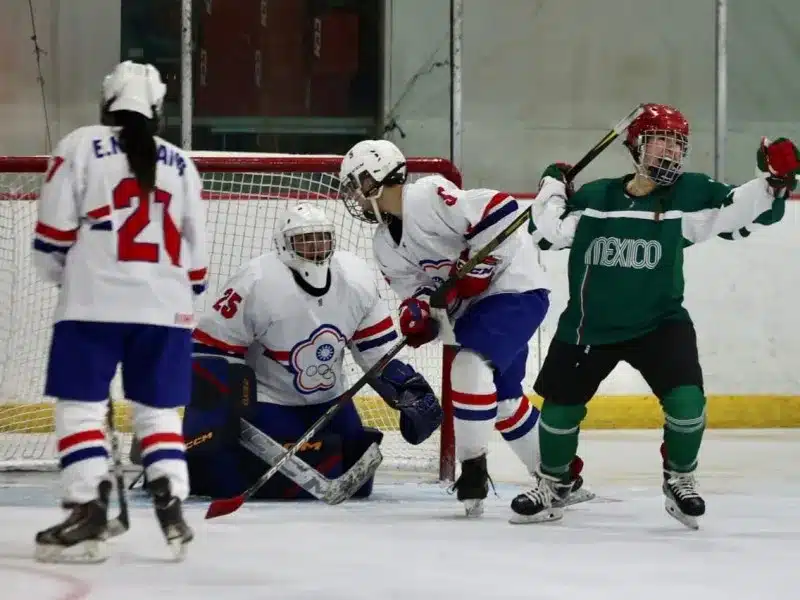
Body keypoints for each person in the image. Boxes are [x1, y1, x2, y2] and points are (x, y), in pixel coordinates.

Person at [519, 102, 799, 528]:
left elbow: (741, 212)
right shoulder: (596, 197)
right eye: (660, 143)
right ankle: (555, 485)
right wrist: (552, 187)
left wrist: (773, 183)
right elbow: (546, 234)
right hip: (588, 325)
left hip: (659, 322)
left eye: (677, 145)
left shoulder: (688, 194)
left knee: (688, 404)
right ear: (636, 147)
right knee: (559, 412)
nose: (669, 153)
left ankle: (679, 479)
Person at [338, 139, 592, 518]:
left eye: (355, 188)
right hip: (475, 310)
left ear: (372, 181)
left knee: (468, 366)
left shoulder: (427, 195)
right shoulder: (383, 245)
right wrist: (418, 312)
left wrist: (477, 267)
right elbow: (420, 289)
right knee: (503, 400)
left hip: (513, 288)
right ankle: (561, 476)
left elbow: (501, 209)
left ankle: (472, 468)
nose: (354, 198)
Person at [32, 61, 206, 562]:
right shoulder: (181, 162)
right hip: (167, 306)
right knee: (157, 411)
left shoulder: (79, 145)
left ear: (108, 102)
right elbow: (198, 261)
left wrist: (67, 276)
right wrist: (174, 295)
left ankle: (87, 508)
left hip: (93, 302)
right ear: (158, 108)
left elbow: (52, 236)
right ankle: (172, 504)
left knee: (80, 406)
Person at [177, 202, 442, 501]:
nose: (315, 246)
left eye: (322, 238)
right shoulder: (257, 281)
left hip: (328, 402)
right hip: (269, 402)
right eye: (304, 239)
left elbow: (376, 348)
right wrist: (224, 410)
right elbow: (209, 347)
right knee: (248, 479)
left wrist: (409, 389)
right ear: (283, 245)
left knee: (358, 482)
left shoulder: (356, 278)